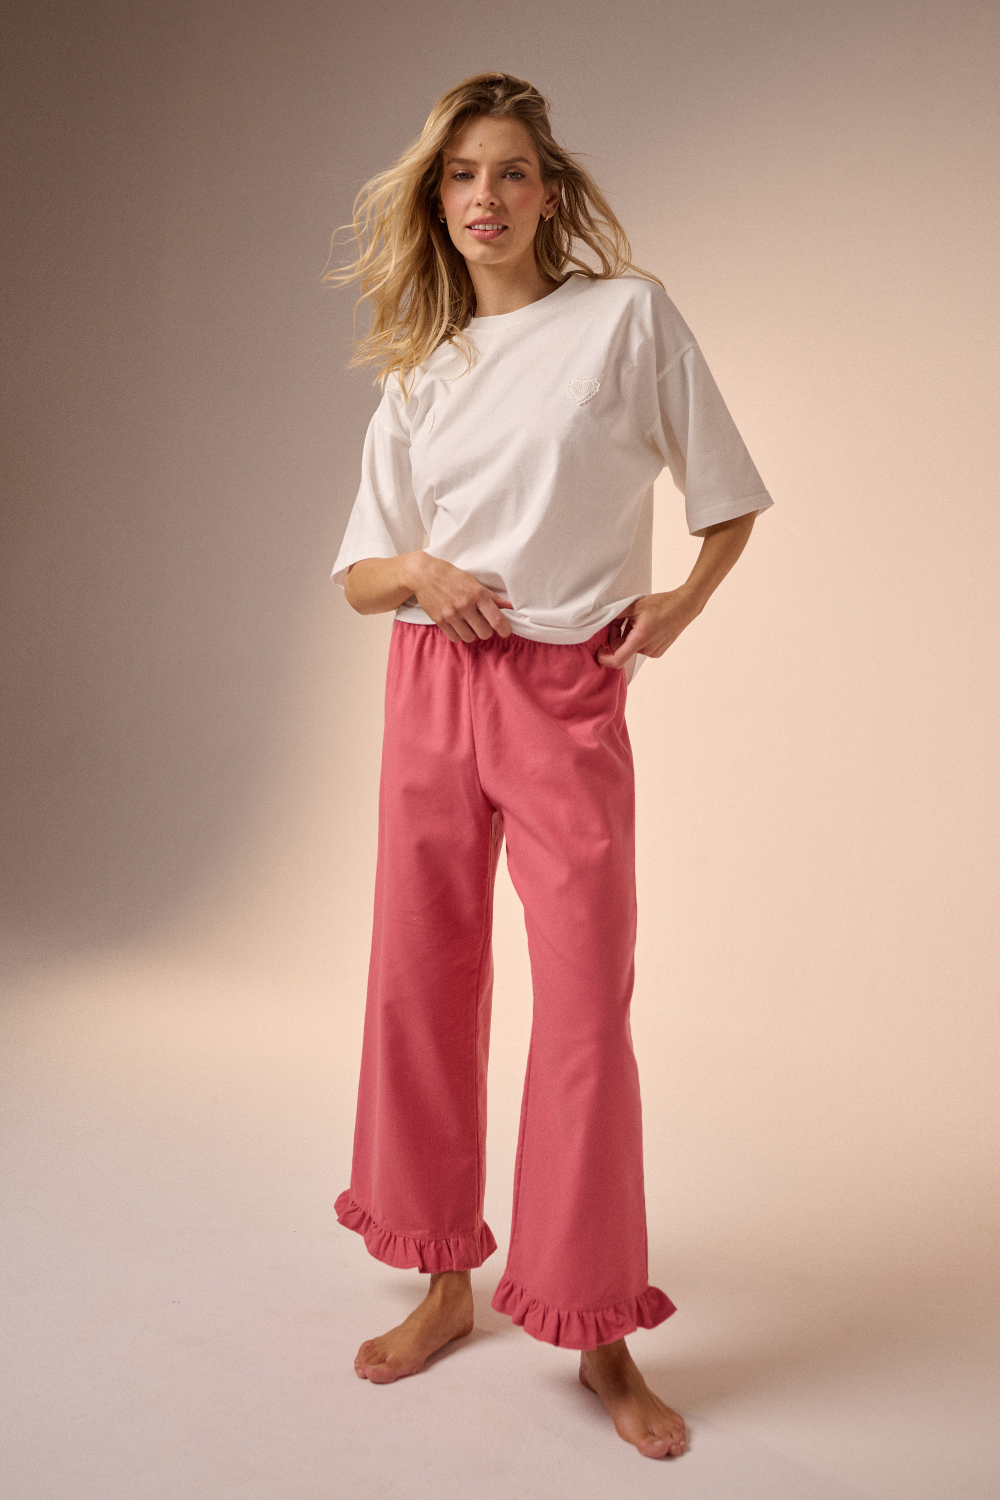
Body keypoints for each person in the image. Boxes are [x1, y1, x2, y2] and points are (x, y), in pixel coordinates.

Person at [327, 71, 773, 1461]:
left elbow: (728, 496)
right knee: (420, 978)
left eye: (511, 171)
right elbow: (359, 576)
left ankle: (599, 1332)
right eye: (462, 175)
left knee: (583, 1009)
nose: (486, 197)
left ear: (550, 191)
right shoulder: (424, 369)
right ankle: (444, 1277)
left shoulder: (626, 319)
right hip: (429, 683)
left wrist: (677, 608)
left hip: (565, 690)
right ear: (436, 199)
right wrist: (421, 571)